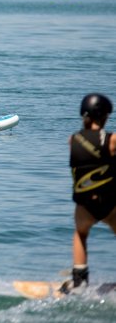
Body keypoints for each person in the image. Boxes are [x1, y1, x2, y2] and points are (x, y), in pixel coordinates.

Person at [62, 93, 116, 293]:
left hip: (84, 205)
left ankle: (79, 279)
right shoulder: (112, 140)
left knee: (80, 234)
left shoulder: (72, 140)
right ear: (104, 117)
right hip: (109, 204)